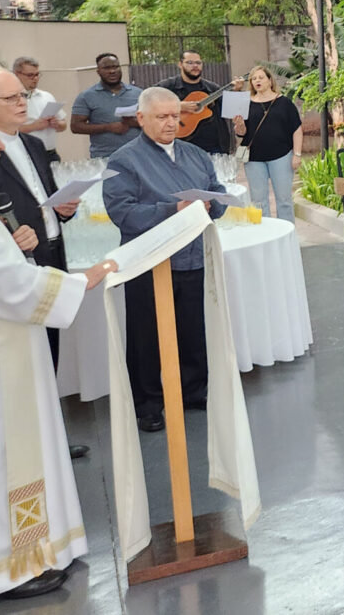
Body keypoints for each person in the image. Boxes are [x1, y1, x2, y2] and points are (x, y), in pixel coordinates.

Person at [0, 104, 115, 602]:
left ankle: (31, 551)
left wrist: (15, 244)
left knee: (4, 457)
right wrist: (81, 280)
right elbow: (1, 282)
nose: (1, 146)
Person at [0, 67, 90, 459]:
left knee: (47, 350)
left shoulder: (35, 144)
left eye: (23, 95)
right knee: (20, 358)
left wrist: (65, 209)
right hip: (12, 265)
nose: (23, 102)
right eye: (11, 97)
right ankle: (25, 445)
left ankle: (50, 439)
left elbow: (44, 198)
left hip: (51, 252)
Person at [104, 87, 228, 432]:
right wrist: (173, 209)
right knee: (146, 335)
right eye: (162, 117)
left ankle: (194, 390)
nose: (171, 123)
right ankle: (147, 403)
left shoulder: (195, 154)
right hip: (149, 261)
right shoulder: (123, 160)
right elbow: (122, 212)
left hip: (191, 254)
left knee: (192, 327)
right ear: (140, 118)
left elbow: (217, 191)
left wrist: (213, 204)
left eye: (176, 115)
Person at [232, 65, 303, 223]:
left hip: (281, 156)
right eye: (254, 79)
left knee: (284, 200)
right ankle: (264, 233)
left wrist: (297, 154)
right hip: (254, 159)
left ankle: (286, 233)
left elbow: (297, 129)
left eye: (261, 77)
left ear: (270, 80)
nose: (257, 81)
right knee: (258, 201)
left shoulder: (284, 103)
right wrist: (239, 125)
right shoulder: (245, 103)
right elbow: (241, 133)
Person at [155, 49, 242, 154]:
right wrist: (177, 106)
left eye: (198, 63)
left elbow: (234, 112)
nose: (195, 66)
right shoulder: (168, 86)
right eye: (190, 62)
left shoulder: (212, 89)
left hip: (214, 149)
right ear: (180, 64)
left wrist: (237, 91)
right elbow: (147, 104)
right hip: (180, 148)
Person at [70, 52, 141, 158]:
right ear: (98, 71)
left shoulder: (138, 93)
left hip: (137, 155)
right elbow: (75, 126)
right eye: (106, 68)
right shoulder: (86, 96)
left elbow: (153, 121)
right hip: (105, 157)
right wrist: (108, 127)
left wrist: (134, 122)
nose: (112, 71)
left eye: (115, 67)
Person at [14, 56, 67, 162]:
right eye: (30, 75)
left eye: (37, 74)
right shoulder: (11, 99)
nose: (35, 79)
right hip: (27, 153)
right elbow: (4, 130)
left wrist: (57, 124)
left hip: (50, 152)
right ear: (17, 74)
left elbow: (63, 125)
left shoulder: (47, 96)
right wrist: (34, 126)